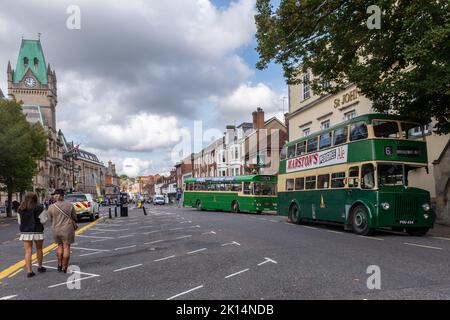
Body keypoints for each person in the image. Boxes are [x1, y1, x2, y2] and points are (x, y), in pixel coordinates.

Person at [47, 189, 78, 273]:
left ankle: (59, 264)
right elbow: (74, 217)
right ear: (63, 195)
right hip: (67, 229)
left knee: (59, 246)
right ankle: (65, 267)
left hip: (56, 229)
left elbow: (48, 219)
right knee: (66, 247)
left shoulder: (51, 207)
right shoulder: (70, 205)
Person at [17, 192, 46, 278]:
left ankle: (29, 271)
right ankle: (40, 267)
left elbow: (19, 222)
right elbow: (43, 220)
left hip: (25, 232)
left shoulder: (20, 208)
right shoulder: (40, 207)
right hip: (37, 231)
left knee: (28, 251)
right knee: (39, 249)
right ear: (35, 198)